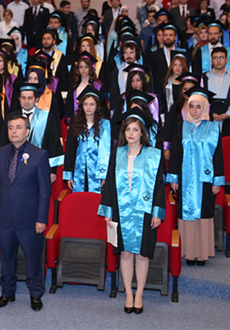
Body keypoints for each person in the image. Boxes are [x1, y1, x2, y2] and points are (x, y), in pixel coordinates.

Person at [99, 107, 166, 314]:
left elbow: (159, 185)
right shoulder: (117, 153)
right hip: (121, 210)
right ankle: (128, 293)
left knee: (143, 255)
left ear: (142, 132)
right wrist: (108, 211)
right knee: (126, 253)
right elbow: (109, 184)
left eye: (135, 129)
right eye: (128, 129)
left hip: (144, 211)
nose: (131, 133)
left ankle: (140, 294)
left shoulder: (153, 155)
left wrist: (157, 213)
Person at [0, 115, 51, 311]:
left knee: (33, 258)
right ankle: (7, 292)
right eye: (11, 128)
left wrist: (41, 219)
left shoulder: (39, 155)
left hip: (30, 219)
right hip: (5, 216)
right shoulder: (0, 153)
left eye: (18, 127)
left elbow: (45, 191)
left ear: (27, 132)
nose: (13, 131)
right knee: (7, 257)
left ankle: (35, 294)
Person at [166, 89, 224, 266]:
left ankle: (202, 253)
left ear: (205, 108)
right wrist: (173, 178)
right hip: (185, 179)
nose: (195, 110)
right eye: (191, 106)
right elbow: (176, 153)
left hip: (205, 180)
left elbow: (218, 156)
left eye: (199, 107)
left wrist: (217, 181)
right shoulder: (181, 126)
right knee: (186, 214)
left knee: (204, 215)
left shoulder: (213, 128)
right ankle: (189, 253)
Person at [64, 90, 111, 192]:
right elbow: (70, 150)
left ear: (97, 106)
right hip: (79, 169)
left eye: (92, 104)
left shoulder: (105, 125)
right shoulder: (75, 124)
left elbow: (107, 151)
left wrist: (104, 175)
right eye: (85, 104)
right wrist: (69, 174)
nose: (88, 107)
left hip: (97, 170)